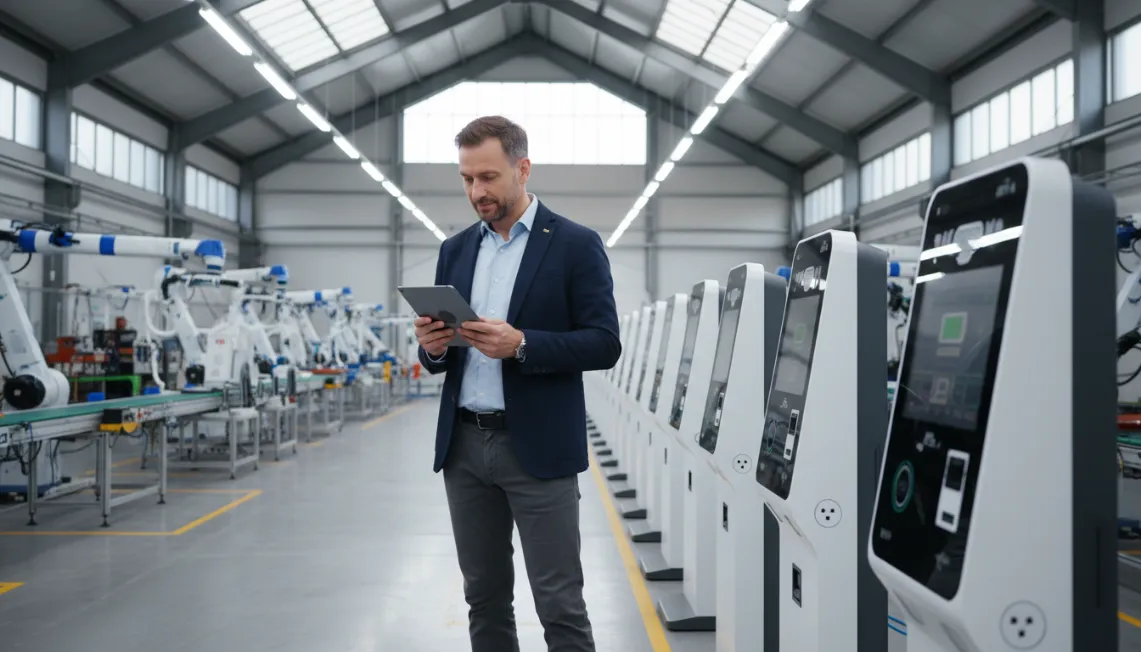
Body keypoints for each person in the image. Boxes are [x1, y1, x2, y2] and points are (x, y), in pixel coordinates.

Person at [414, 115, 621, 652]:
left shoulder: (575, 245)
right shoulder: (455, 250)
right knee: (483, 598)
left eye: (487, 177)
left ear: (522, 168)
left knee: (559, 603)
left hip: (539, 449)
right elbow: (440, 355)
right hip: (463, 447)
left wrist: (522, 344)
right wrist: (432, 347)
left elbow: (604, 343)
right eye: (466, 179)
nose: (476, 191)